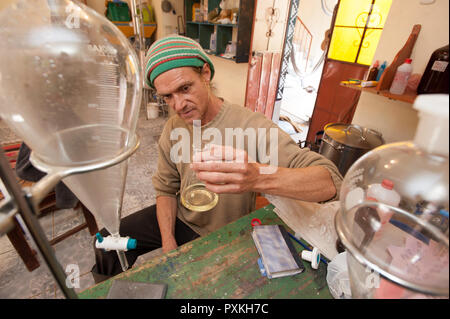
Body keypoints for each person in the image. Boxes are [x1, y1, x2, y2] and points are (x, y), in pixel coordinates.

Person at [91, 35, 343, 283]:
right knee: (104, 243)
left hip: (224, 231)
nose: (178, 105)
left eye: (184, 88)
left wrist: (257, 177)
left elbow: (330, 182)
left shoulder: (250, 127)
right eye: (167, 97)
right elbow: (166, 189)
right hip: (183, 218)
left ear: (205, 74)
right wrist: (169, 243)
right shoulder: (173, 128)